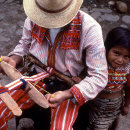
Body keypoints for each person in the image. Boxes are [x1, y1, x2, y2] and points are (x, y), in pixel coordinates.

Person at [0, 0, 108, 129]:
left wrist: (68, 94)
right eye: (45, 15)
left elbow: (99, 76)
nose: (47, 21)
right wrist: (14, 60)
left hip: (67, 86)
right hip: (36, 78)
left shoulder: (89, 29)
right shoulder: (34, 18)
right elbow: (24, 45)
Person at [87, 27, 130, 130]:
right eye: (117, 53)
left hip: (113, 106)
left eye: (127, 56)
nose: (120, 60)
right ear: (107, 47)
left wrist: (126, 105)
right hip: (93, 103)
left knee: (102, 126)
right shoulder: (97, 62)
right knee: (89, 123)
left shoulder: (127, 69)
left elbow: (128, 88)